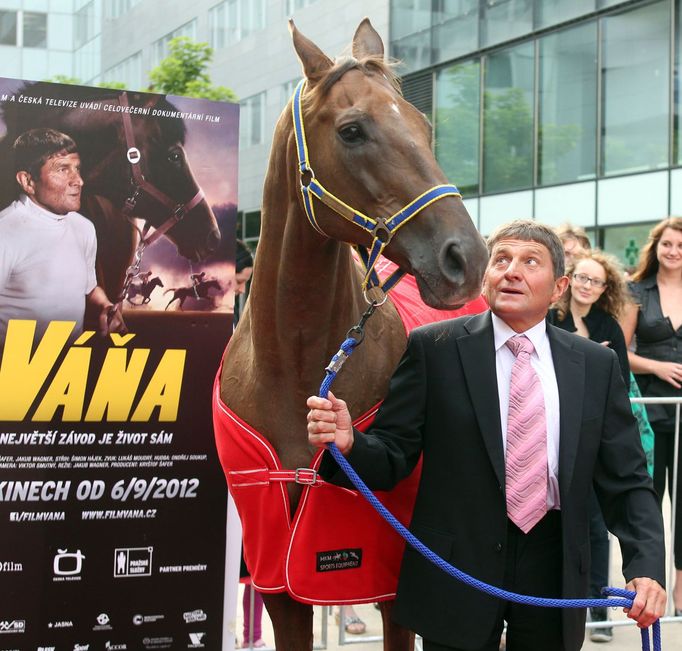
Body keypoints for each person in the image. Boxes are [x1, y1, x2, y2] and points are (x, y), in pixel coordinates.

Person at [307, 220, 666, 651]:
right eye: (501, 260)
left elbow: (626, 480)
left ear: (559, 287)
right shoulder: (433, 349)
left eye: (530, 261)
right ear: (485, 277)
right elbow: (393, 456)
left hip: (554, 568)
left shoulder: (594, 365)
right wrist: (349, 443)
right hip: (458, 567)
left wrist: (645, 566)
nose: (511, 271)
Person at [548, 249, 633, 643]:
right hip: (551, 437)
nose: (587, 285)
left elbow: (619, 381)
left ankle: (597, 607)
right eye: (581, 277)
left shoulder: (608, 326)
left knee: (597, 528)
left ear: (605, 288)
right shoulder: (550, 317)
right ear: (568, 280)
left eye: (595, 281)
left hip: (592, 438)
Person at [0, 128, 125, 340]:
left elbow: (88, 287)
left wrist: (105, 306)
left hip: (69, 368)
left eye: (77, 169)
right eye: (62, 169)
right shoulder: (5, 232)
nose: (79, 181)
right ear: (27, 181)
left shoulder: (84, 227)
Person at [620, 215, 682, 616]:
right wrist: (657, 367)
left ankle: (681, 587)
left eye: (680, 246)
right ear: (655, 247)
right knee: (648, 498)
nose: (674, 252)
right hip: (649, 410)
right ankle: (649, 585)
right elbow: (620, 354)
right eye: (667, 244)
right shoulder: (635, 291)